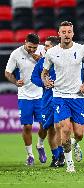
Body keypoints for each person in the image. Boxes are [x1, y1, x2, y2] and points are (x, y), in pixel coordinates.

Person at [41, 21, 84, 172]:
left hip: (77, 96)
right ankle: (70, 165)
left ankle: (74, 143)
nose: (66, 34)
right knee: (64, 129)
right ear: (59, 34)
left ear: (73, 33)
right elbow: (44, 73)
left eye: (69, 32)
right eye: (63, 32)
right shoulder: (51, 53)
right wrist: (46, 81)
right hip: (60, 96)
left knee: (78, 133)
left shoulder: (82, 49)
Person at [5, 33, 47, 165]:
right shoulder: (16, 54)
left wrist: (41, 59)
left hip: (40, 94)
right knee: (27, 127)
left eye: (34, 47)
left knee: (44, 125)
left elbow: (52, 67)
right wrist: (15, 81)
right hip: (24, 96)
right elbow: (7, 72)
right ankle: (30, 155)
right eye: (30, 47)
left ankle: (40, 145)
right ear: (25, 42)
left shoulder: (42, 51)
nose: (32, 50)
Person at [31, 36, 65, 167]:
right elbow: (33, 77)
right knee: (50, 129)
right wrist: (44, 83)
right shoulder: (42, 62)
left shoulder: (63, 60)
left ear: (55, 47)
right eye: (44, 45)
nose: (44, 48)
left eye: (47, 46)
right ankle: (56, 156)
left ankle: (62, 153)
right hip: (46, 100)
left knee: (60, 127)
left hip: (61, 98)